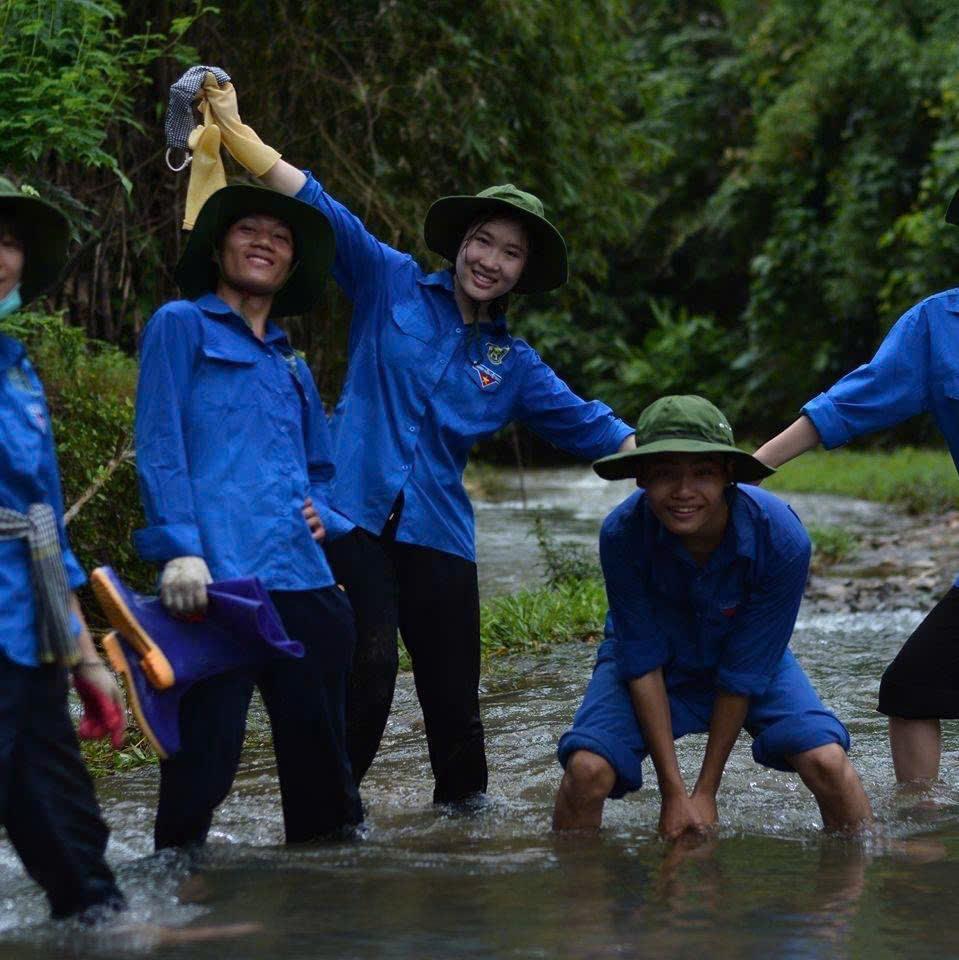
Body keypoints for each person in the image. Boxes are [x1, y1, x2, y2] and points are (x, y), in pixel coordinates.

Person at [197, 75, 636, 804]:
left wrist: (688, 466)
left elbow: (595, 426)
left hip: (439, 536)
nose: (489, 260)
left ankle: (459, 850)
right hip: (349, 520)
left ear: (522, 273)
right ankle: (330, 829)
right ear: (460, 245)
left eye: (509, 253)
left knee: (456, 710)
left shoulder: (513, 364)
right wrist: (238, 131)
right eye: (481, 241)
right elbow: (315, 203)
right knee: (366, 676)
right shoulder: (389, 282)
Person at [132, 182, 362, 848]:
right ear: (217, 248)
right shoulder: (181, 324)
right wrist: (178, 546)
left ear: (291, 266)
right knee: (202, 769)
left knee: (324, 782)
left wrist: (325, 515)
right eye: (247, 230)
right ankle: (175, 908)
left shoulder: (291, 362)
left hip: (305, 585)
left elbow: (320, 469)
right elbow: (159, 442)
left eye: (281, 236)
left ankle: (324, 920)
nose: (264, 242)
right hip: (218, 584)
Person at [553, 396, 873, 835]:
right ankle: (575, 896)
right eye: (665, 473)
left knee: (828, 762)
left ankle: (859, 876)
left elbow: (744, 671)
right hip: (652, 661)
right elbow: (641, 660)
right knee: (586, 771)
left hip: (746, 654)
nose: (683, 492)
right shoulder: (621, 534)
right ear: (641, 478)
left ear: (727, 476)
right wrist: (673, 793)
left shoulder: (781, 539)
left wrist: (704, 792)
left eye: (702, 472)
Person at [754, 193, 959, 783]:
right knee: (912, 688)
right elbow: (852, 401)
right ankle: (920, 838)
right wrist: (751, 468)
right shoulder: (937, 326)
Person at [0, 177, 127, 919]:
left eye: (11, 241)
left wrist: (85, 660)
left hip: (29, 641)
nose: (1, 257)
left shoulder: (18, 370)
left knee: (81, 861)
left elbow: (46, 528)